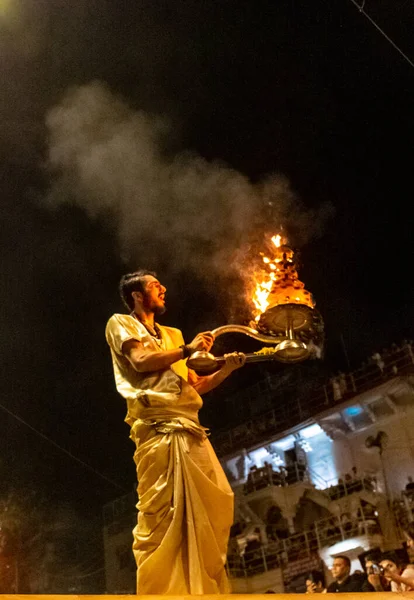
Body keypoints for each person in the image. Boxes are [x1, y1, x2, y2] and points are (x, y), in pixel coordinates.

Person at [105, 270, 246, 594]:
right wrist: (187, 349)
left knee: (216, 502)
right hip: (158, 427)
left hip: (191, 426)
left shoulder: (173, 334)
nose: (164, 288)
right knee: (164, 514)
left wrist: (227, 367)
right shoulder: (120, 323)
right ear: (137, 295)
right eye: (155, 285)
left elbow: (195, 384)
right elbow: (140, 361)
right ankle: (166, 591)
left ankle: (202, 587)